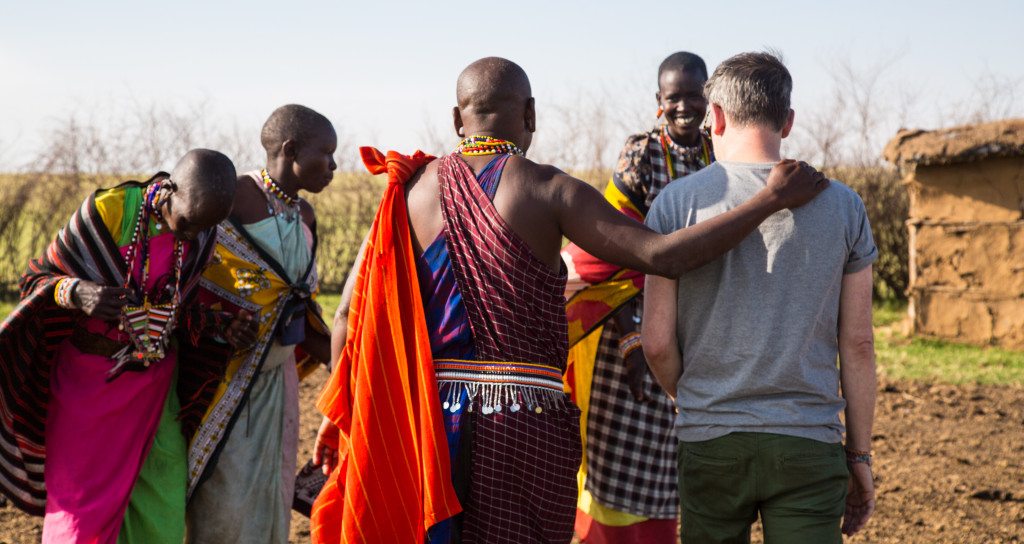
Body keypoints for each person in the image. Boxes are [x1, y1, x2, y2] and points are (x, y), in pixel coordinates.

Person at [310, 56, 827, 544]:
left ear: (456, 118)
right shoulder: (549, 189)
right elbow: (663, 256)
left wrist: (347, 422)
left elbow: (347, 316)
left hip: (423, 423)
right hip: (523, 426)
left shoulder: (406, 192)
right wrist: (770, 198)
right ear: (530, 113)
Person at [643, 51, 878, 543]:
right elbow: (858, 344)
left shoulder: (677, 204)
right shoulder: (844, 205)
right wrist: (858, 455)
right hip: (807, 443)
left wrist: (698, 398)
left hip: (711, 441)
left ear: (718, 117)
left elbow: (658, 343)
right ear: (787, 121)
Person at [0, 149, 252, 543]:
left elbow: (174, 312)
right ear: (169, 189)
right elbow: (36, 279)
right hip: (88, 386)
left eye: (203, 228)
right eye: (187, 222)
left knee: (161, 505)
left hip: (155, 388)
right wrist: (76, 291)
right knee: (80, 514)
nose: (192, 235)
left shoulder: (203, 233)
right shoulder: (109, 212)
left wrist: (221, 326)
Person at [563, 51, 713, 544]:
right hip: (630, 334)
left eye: (695, 95)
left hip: (700, 331)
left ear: (710, 98)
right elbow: (613, 252)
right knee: (619, 469)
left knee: (675, 469)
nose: (686, 107)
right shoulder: (643, 155)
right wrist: (632, 341)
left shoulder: (723, 155)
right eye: (675, 98)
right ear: (658, 103)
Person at [184, 105, 336, 543]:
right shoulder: (232, 196)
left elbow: (299, 308)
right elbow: (183, 277)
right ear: (290, 150)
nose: (333, 166)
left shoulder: (305, 217)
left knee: (273, 496)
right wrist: (217, 324)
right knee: (224, 504)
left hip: (279, 383)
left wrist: (348, 367)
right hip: (224, 380)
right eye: (325, 153)